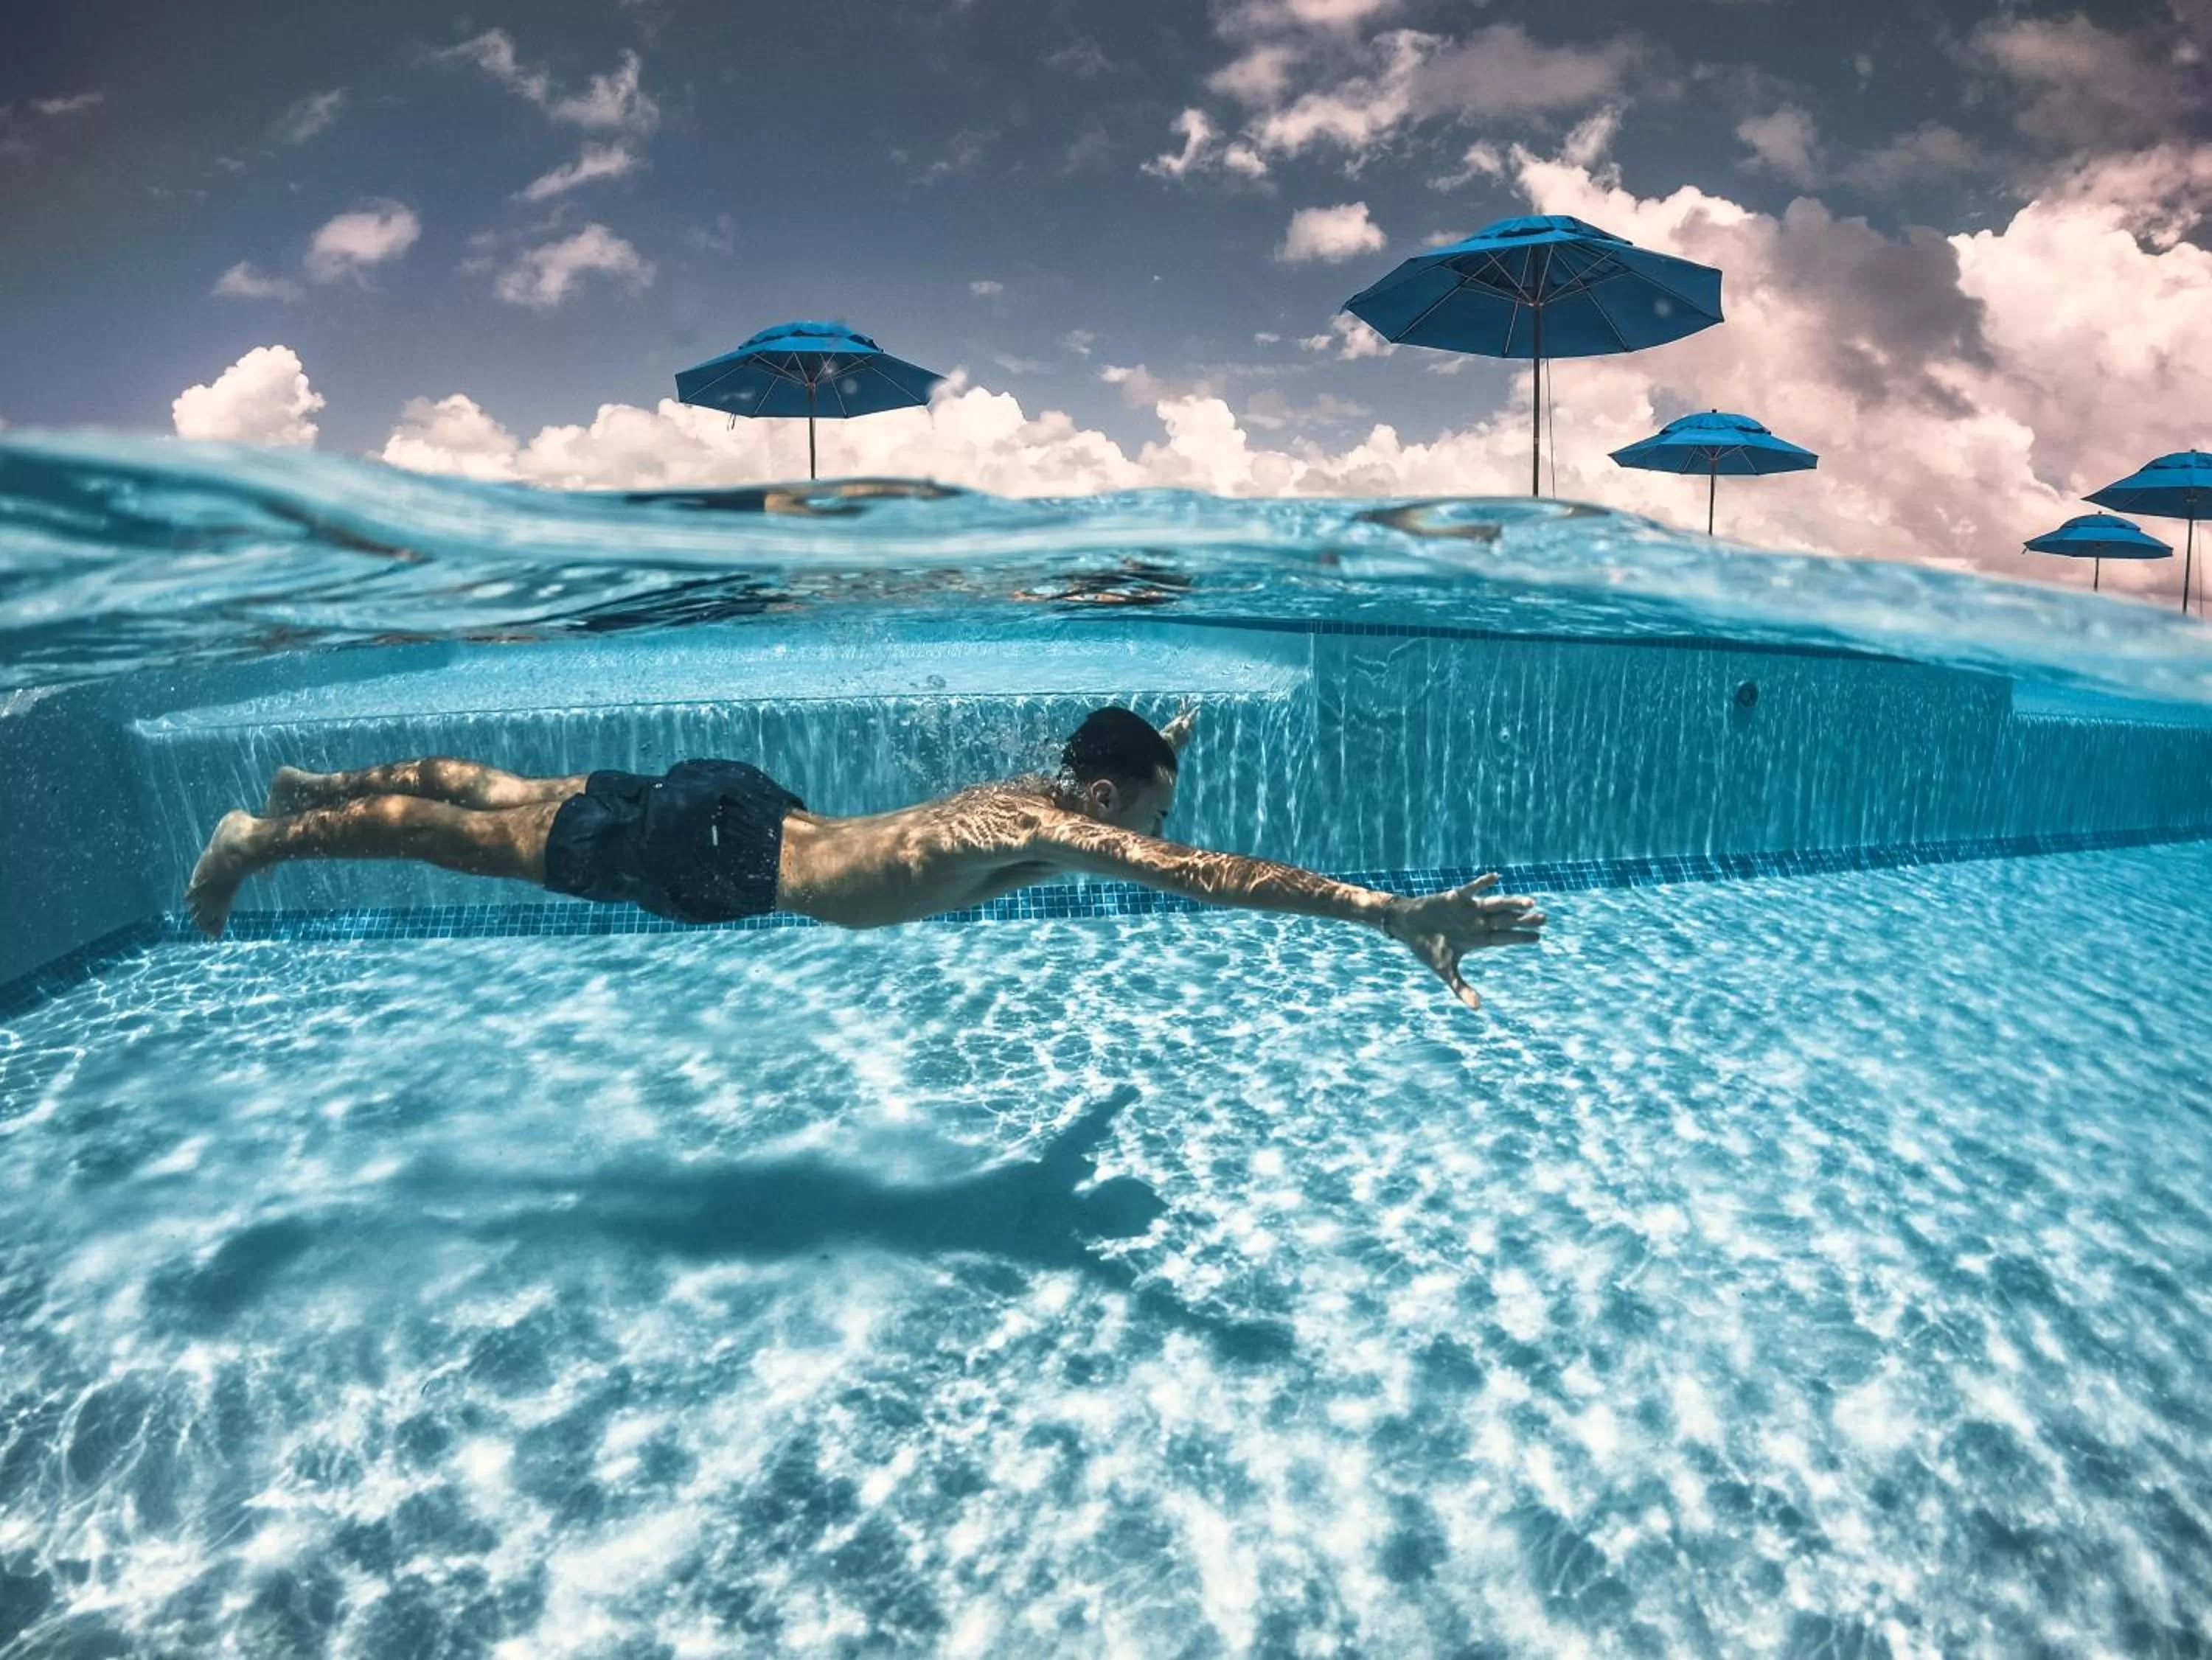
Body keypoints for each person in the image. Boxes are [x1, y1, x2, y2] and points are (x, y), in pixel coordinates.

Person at [185, 706, 1546, 1008]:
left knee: (498, 790)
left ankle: (320, 779)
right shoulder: (1058, 827)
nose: (1154, 839)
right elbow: (1209, 878)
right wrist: (1379, 912)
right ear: (1109, 798)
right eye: (1149, 808)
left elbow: (1113, 778)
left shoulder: (1039, 788)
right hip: (725, 860)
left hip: (745, 805)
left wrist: (1159, 728)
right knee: (465, 843)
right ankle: (269, 837)